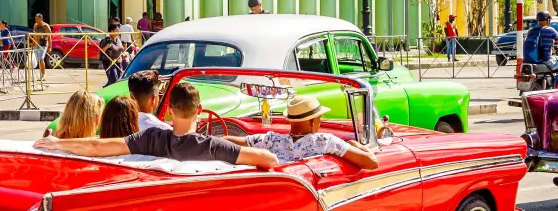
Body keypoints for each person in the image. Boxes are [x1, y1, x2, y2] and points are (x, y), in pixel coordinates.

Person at [35, 81, 277, 168]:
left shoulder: (150, 138)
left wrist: (59, 143)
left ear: (169, 111)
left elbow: (98, 147)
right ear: (200, 111)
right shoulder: (213, 146)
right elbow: (269, 159)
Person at [227, 96, 378, 169]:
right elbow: (371, 163)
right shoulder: (325, 141)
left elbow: (229, 140)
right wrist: (355, 144)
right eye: (319, 119)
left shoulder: (271, 139)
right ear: (312, 121)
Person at [30, 13, 53, 82]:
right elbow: (34, 35)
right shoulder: (35, 25)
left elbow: (49, 37)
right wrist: (33, 43)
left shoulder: (46, 26)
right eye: (35, 19)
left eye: (37, 19)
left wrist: (49, 47)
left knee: (41, 59)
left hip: (43, 44)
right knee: (37, 60)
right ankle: (39, 74)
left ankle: (43, 74)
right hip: (36, 44)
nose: (36, 20)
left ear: (41, 19)